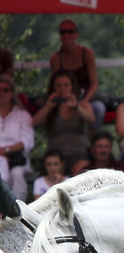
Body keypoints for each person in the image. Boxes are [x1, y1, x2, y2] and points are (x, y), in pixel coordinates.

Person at [33, 70, 94, 171]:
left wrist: (77, 107)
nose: (62, 89)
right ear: (53, 88)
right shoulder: (49, 106)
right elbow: (34, 122)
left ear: (72, 86)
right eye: (58, 85)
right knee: (55, 173)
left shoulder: (82, 104)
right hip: (55, 156)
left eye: (66, 85)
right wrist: (48, 107)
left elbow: (92, 120)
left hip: (79, 154)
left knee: (82, 174)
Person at [49, 19, 104, 132]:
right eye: (63, 32)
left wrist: (84, 101)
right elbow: (57, 85)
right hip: (65, 98)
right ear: (59, 35)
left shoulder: (87, 53)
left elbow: (94, 83)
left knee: (98, 109)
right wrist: (68, 100)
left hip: (87, 97)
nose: (67, 35)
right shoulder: (55, 59)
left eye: (70, 31)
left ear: (76, 35)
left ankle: (91, 143)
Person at [0, 74, 33, 202]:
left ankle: (18, 212)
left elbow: (26, 142)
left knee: (17, 173)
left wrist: (4, 151)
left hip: (17, 159)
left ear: (12, 93)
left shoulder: (22, 115)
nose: (2, 93)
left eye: (6, 90)